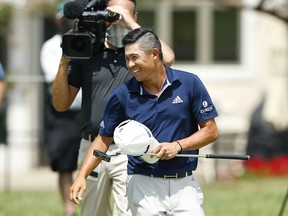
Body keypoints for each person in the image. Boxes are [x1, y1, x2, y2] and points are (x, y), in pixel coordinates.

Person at [69, 28, 219, 215]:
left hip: (185, 185)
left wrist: (178, 146)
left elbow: (211, 131)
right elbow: (103, 140)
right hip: (143, 185)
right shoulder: (121, 95)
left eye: (135, 57)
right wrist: (82, 175)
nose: (130, 65)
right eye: (127, 58)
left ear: (154, 54)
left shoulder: (189, 83)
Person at [53, 0, 175, 215]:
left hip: (129, 147)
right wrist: (64, 61)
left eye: (124, 14)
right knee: (92, 212)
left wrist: (129, 24)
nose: (116, 19)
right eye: (112, 14)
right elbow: (61, 104)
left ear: (135, 15)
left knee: (128, 212)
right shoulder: (88, 51)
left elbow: (170, 58)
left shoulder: (139, 56)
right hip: (92, 146)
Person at [40, 1, 81, 215]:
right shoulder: (50, 46)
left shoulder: (92, 43)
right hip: (62, 114)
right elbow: (53, 79)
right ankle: (69, 210)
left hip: (86, 112)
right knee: (64, 164)